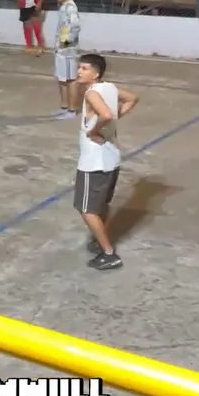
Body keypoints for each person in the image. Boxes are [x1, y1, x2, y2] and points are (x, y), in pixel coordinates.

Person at [74, 53, 138, 271]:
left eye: (84, 68)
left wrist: (94, 130)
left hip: (94, 160)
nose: (79, 71)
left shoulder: (92, 93)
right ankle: (99, 238)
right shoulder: (110, 88)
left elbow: (106, 115)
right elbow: (132, 98)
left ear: (96, 73)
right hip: (111, 157)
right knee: (101, 205)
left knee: (86, 209)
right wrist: (116, 117)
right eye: (79, 67)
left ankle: (108, 253)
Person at [53, 0, 82, 120]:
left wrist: (66, 42)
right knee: (62, 79)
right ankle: (64, 107)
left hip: (69, 50)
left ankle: (72, 110)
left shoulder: (70, 7)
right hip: (61, 50)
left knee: (71, 80)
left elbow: (75, 27)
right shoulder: (63, 7)